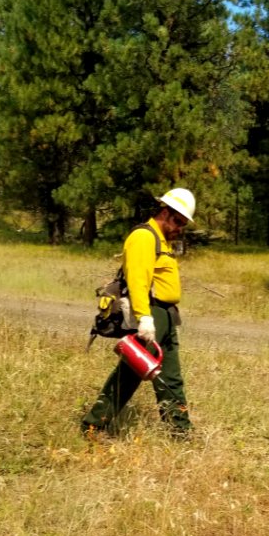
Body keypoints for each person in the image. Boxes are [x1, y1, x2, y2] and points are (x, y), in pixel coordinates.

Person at [81, 187, 195, 437]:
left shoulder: (163, 241)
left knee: (171, 377)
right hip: (151, 315)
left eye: (184, 224)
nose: (179, 228)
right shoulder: (145, 237)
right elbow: (138, 281)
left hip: (166, 316)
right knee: (129, 376)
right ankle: (93, 425)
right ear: (165, 212)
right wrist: (144, 318)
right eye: (177, 221)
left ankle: (180, 431)